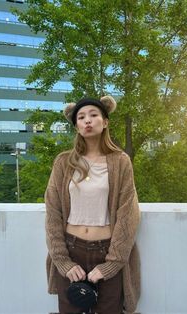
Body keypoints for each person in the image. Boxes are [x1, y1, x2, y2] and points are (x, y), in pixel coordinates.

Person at [45, 95, 141, 314]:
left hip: (107, 250)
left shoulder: (120, 161)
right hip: (70, 249)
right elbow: (52, 213)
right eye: (81, 117)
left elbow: (128, 213)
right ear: (77, 126)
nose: (87, 120)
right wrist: (63, 261)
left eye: (93, 115)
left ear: (105, 121)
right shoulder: (63, 162)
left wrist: (112, 264)